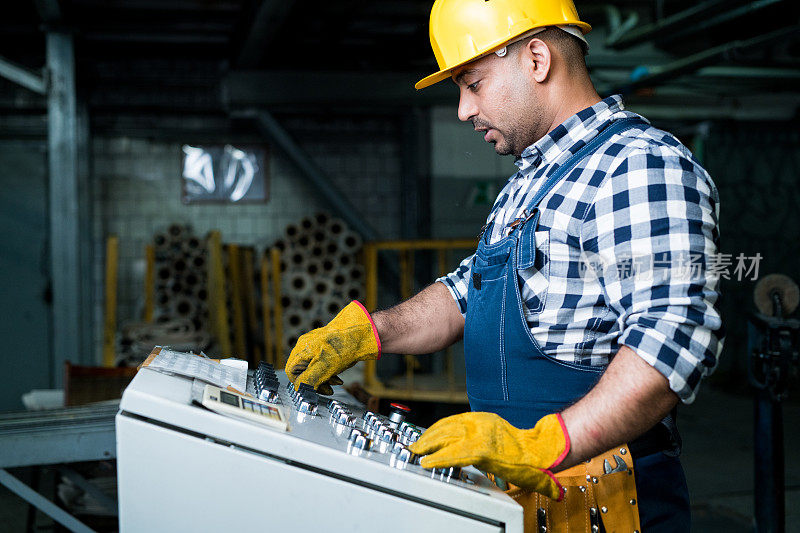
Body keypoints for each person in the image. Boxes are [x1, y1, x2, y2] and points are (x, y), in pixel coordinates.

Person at [285, 0, 724, 530]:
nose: (465, 111)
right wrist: (369, 332)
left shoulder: (639, 165)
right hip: (516, 493)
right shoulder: (531, 179)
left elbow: (673, 337)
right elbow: (468, 293)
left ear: (537, 59)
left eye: (473, 84)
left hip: (604, 500)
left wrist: (544, 443)